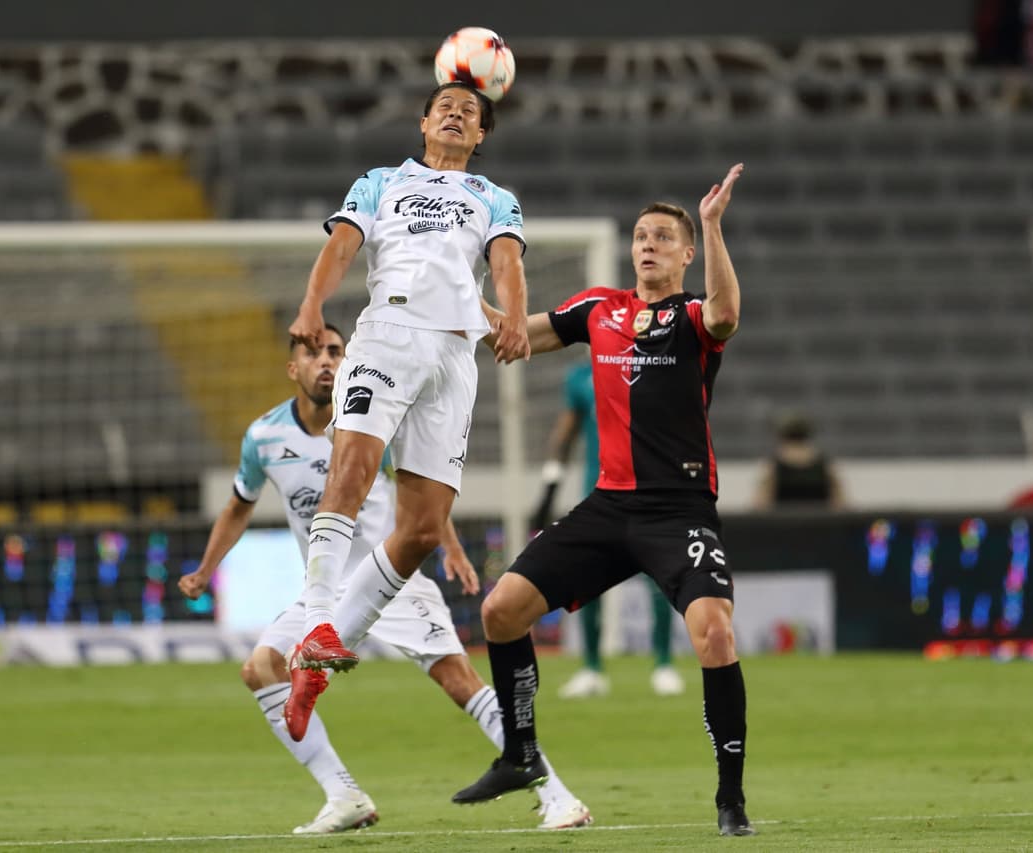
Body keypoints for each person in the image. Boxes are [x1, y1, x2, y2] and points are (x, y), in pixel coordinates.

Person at [178, 329, 592, 833]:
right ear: (293, 369)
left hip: (390, 578)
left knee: (459, 681)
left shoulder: (369, 419)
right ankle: (344, 795)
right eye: (313, 353)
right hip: (324, 595)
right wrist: (205, 569)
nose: (326, 362)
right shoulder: (263, 437)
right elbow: (238, 507)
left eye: (335, 351)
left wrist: (452, 547)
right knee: (261, 669)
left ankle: (558, 795)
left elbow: (422, 488)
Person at [454, 165, 758, 837]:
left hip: (678, 510)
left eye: (662, 238)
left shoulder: (693, 318)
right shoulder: (600, 309)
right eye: (640, 236)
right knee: (502, 609)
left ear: (685, 255)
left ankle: (730, 796)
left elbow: (729, 313)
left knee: (715, 631)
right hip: (608, 507)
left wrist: (710, 224)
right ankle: (520, 752)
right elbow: (514, 339)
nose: (647, 245)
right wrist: (452, 286)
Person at [283, 80, 531, 734]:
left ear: (480, 137)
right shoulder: (381, 181)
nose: (456, 114)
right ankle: (316, 620)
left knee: (423, 527)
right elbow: (341, 246)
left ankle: (317, 662)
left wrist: (510, 314)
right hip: (388, 335)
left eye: (469, 112)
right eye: (445, 107)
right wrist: (312, 305)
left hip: (454, 359)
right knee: (354, 470)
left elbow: (505, 263)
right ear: (423, 122)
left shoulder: (494, 198)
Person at [533, 361, 685, 698]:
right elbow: (566, 435)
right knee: (586, 581)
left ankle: (663, 663)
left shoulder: (653, 361)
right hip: (597, 492)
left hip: (649, 491)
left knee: (659, 579)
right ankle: (591, 668)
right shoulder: (580, 378)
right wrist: (549, 488)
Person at [752, 410, 845, 510]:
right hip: (818, 522)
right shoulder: (824, 464)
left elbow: (760, 505)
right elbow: (840, 504)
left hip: (784, 523)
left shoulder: (773, 466)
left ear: (782, 436)